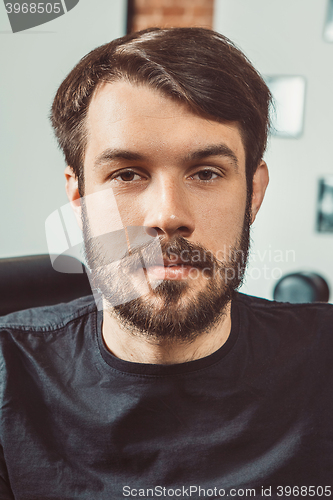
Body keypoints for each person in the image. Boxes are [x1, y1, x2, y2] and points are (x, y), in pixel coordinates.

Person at [0, 27, 332, 500]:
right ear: (79, 197)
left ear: (253, 193)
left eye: (206, 173)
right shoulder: (7, 378)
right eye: (127, 174)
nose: (168, 216)